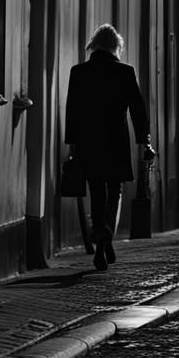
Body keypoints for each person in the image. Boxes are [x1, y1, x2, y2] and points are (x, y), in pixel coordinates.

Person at [64, 24, 152, 270]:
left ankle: (102, 235)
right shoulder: (125, 72)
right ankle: (106, 236)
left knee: (96, 189)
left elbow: (72, 110)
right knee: (115, 190)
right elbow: (137, 109)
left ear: (94, 45)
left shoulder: (79, 72)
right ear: (116, 47)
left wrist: (72, 144)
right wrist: (143, 139)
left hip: (88, 141)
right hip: (116, 141)